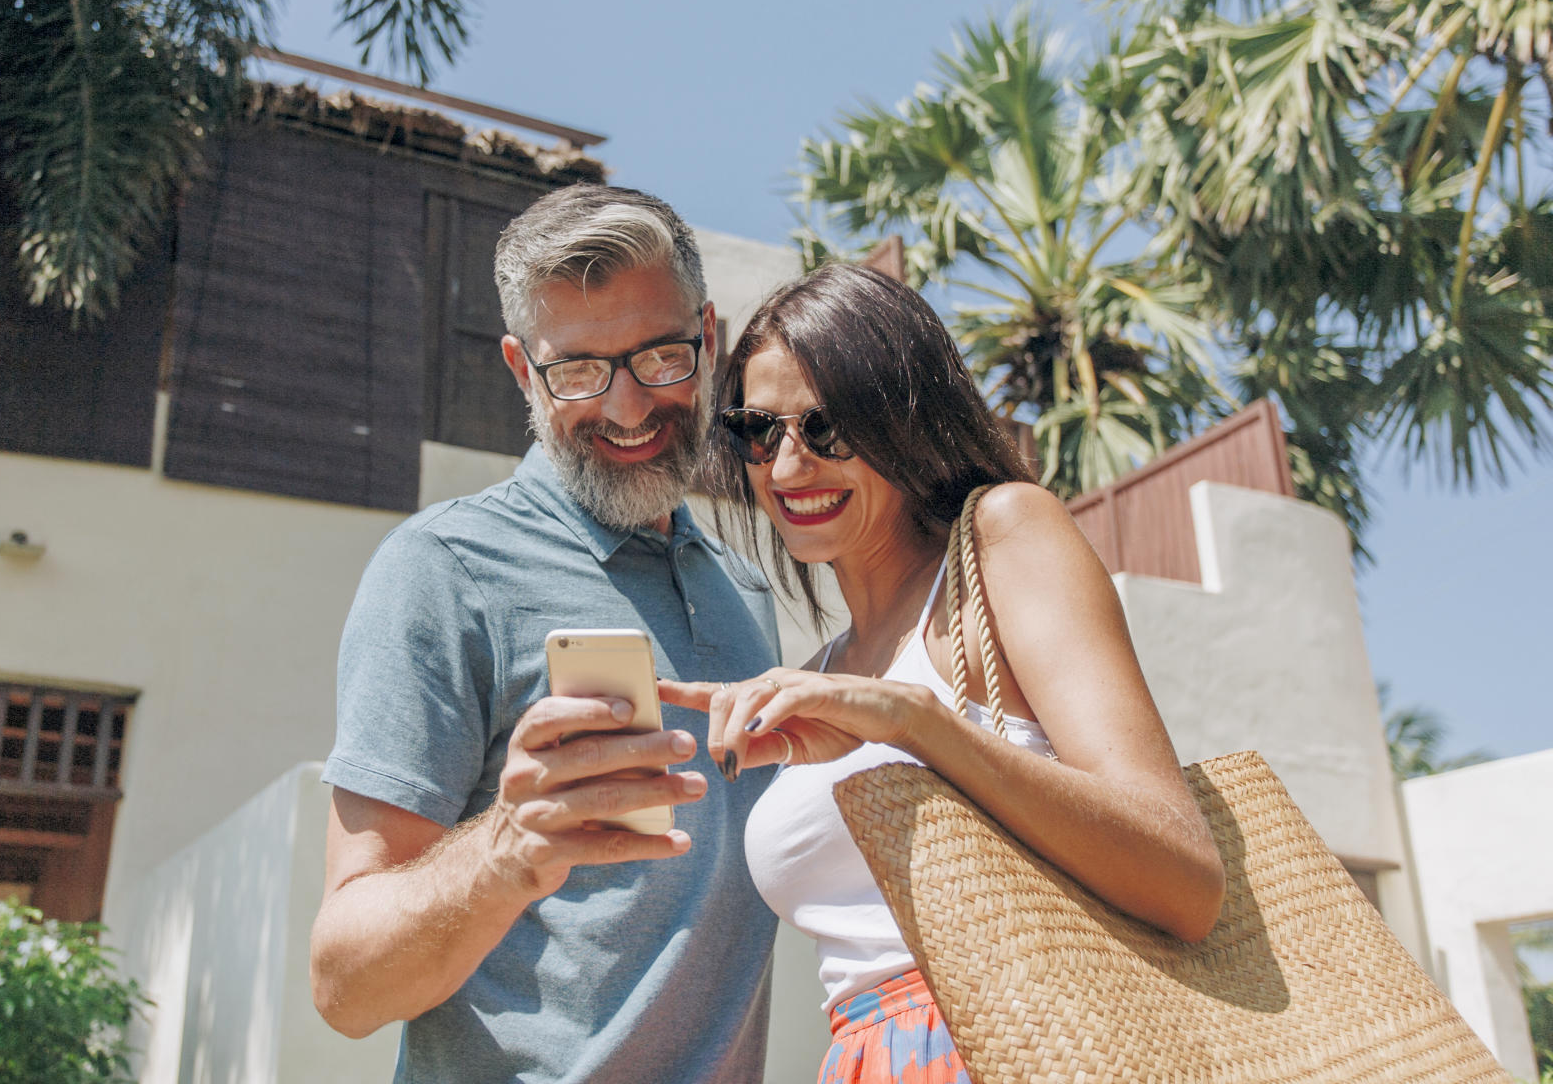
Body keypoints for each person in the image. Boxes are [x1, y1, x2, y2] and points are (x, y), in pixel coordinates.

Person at [660, 264, 1226, 1083]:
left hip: (1032, 1042)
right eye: (758, 430)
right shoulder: (823, 675)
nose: (787, 469)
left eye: (828, 429)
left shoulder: (1004, 535)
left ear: (906, 419)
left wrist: (920, 721)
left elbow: (1187, 877)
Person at [310, 184, 784, 1083]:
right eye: (577, 371)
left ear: (710, 340)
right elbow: (344, 988)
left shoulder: (747, 593)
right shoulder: (442, 569)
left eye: (661, 357)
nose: (630, 407)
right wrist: (509, 849)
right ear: (523, 372)